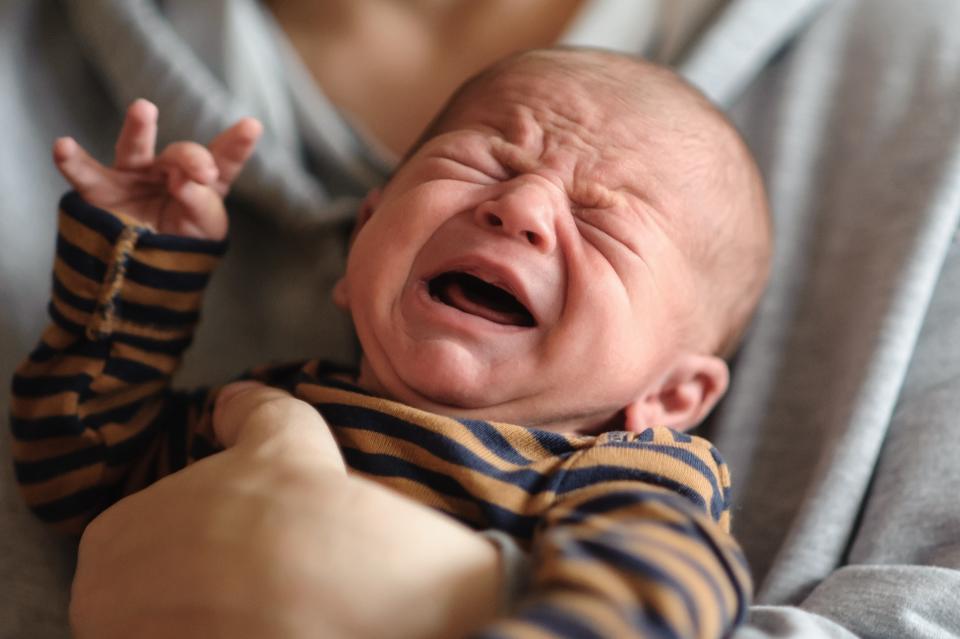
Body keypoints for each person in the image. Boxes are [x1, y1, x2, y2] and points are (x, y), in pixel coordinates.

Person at [5, 1, 960, 638]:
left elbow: (654, 598)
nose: (523, 208)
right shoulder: (267, 404)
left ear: (672, 392)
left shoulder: (619, 473)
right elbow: (74, 466)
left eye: (600, 220)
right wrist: (141, 262)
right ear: (361, 245)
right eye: (485, 163)